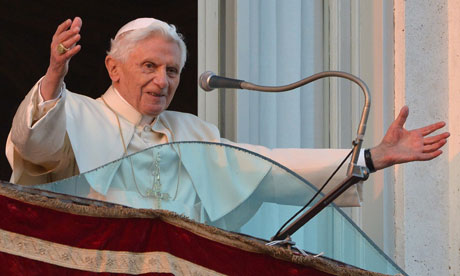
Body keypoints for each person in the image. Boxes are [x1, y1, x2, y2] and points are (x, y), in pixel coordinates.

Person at [6, 17, 449, 228]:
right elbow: (35, 148)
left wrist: (370, 159)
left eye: (173, 71)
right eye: (149, 67)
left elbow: (270, 169)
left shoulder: (192, 133)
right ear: (113, 68)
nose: (163, 81)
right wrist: (53, 78)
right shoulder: (74, 111)